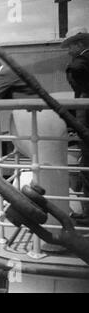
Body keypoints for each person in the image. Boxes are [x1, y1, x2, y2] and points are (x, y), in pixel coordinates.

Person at [61, 27, 89, 225]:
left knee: (86, 166)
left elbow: (80, 92)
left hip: (87, 121)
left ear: (79, 45)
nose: (68, 50)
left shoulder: (78, 66)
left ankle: (87, 214)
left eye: (70, 46)